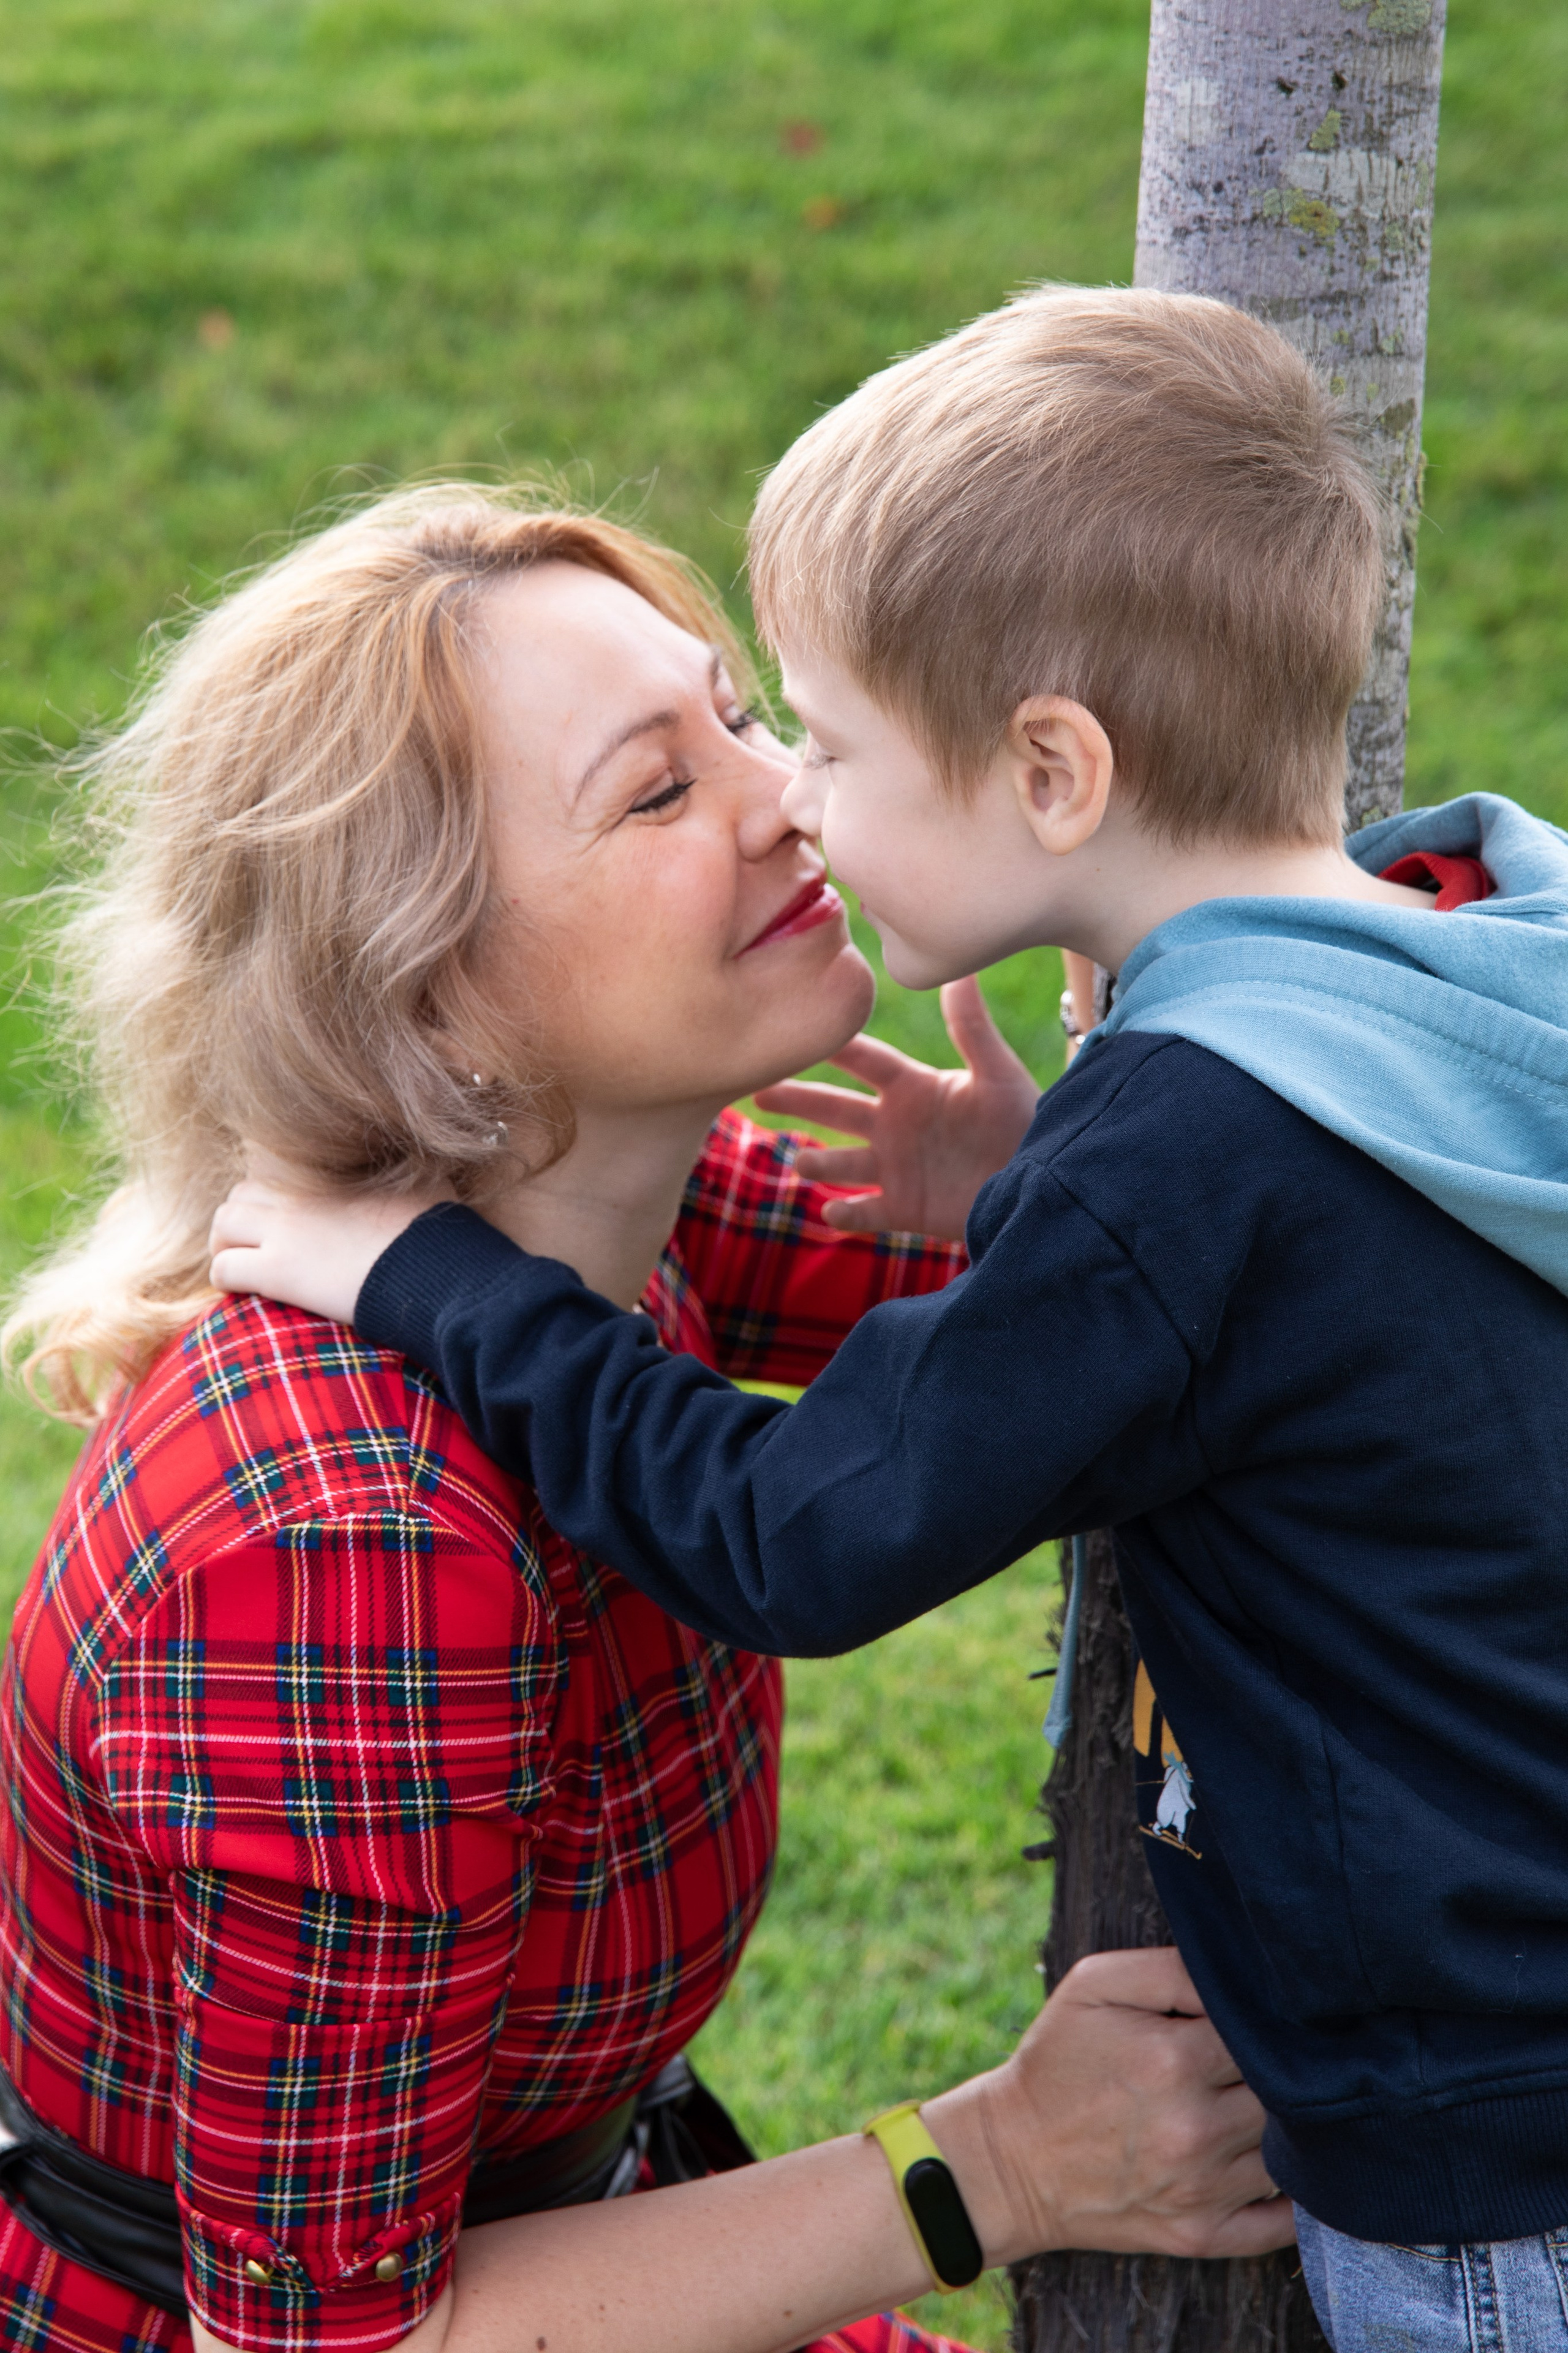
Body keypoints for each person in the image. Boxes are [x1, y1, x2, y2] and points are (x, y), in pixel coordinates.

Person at [214, 291, 1568, 2353]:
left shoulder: (1175, 1179)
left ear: (1051, 768)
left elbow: (795, 1531)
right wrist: (1042, 1193)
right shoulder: (1475, 945)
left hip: (1486, 2157)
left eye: (815, 740)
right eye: (701, 767)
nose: (796, 806)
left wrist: (423, 1276)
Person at [0, 488, 1288, 2353]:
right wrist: (993, 2164)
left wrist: (1045, 1186)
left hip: (589, 2229)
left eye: (742, 718)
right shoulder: (342, 1551)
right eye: (656, 793)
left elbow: (1098, 1352)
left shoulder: (602, 1204)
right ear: (442, 1004)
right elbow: (325, 2345)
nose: (791, 799)